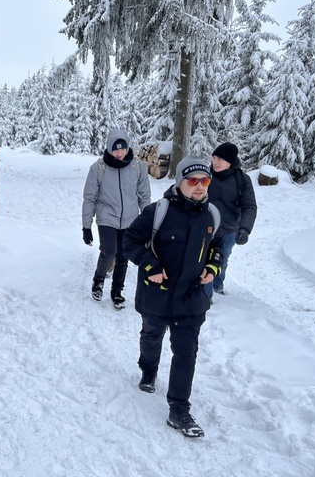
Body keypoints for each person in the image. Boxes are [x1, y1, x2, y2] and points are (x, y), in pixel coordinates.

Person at [123, 157, 224, 438]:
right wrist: (150, 265)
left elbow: (217, 247)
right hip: (158, 295)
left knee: (186, 353)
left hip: (191, 300)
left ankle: (179, 409)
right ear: (179, 182)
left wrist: (213, 267)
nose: (200, 186)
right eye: (193, 181)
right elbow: (130, 241)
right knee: (152, 336)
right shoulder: (159, 211)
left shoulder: (212, 215)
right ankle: (148, 369)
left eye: (205, 181)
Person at [82, 129, 151, 309]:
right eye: (115, 149)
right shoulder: (98, 168)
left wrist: (147, 223)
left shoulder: (137, 167)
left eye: (123, 148)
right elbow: (89, 198)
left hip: (130, 219)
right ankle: (98, 281)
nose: (119, 153)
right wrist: (86, 226)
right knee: (109, 251)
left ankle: (117, 291)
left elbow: (144, 196)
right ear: (108, 148)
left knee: (123, 256)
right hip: (107, 217)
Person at [205, 142, 257, 297]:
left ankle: (217, 286)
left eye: (220, 158)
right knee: (202, 259)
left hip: (229, 229)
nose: (215, 162)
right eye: (214, 157)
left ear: (231, 161)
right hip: (205, 227)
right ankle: (203, 293)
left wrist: (245, 228)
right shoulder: (206, 176)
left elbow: (249, 206)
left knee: (222, 258)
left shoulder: (242, 180)